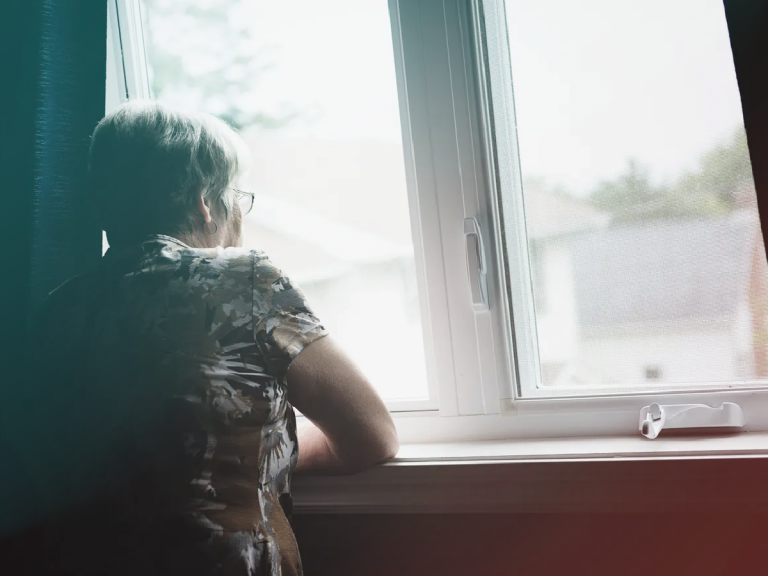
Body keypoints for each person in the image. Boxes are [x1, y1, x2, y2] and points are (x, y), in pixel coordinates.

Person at [24, 100, 399, 575]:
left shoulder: (58, 309)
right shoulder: (244, 278)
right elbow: (373, 436)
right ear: (206, 201)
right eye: (238, 198)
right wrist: (266, 454)